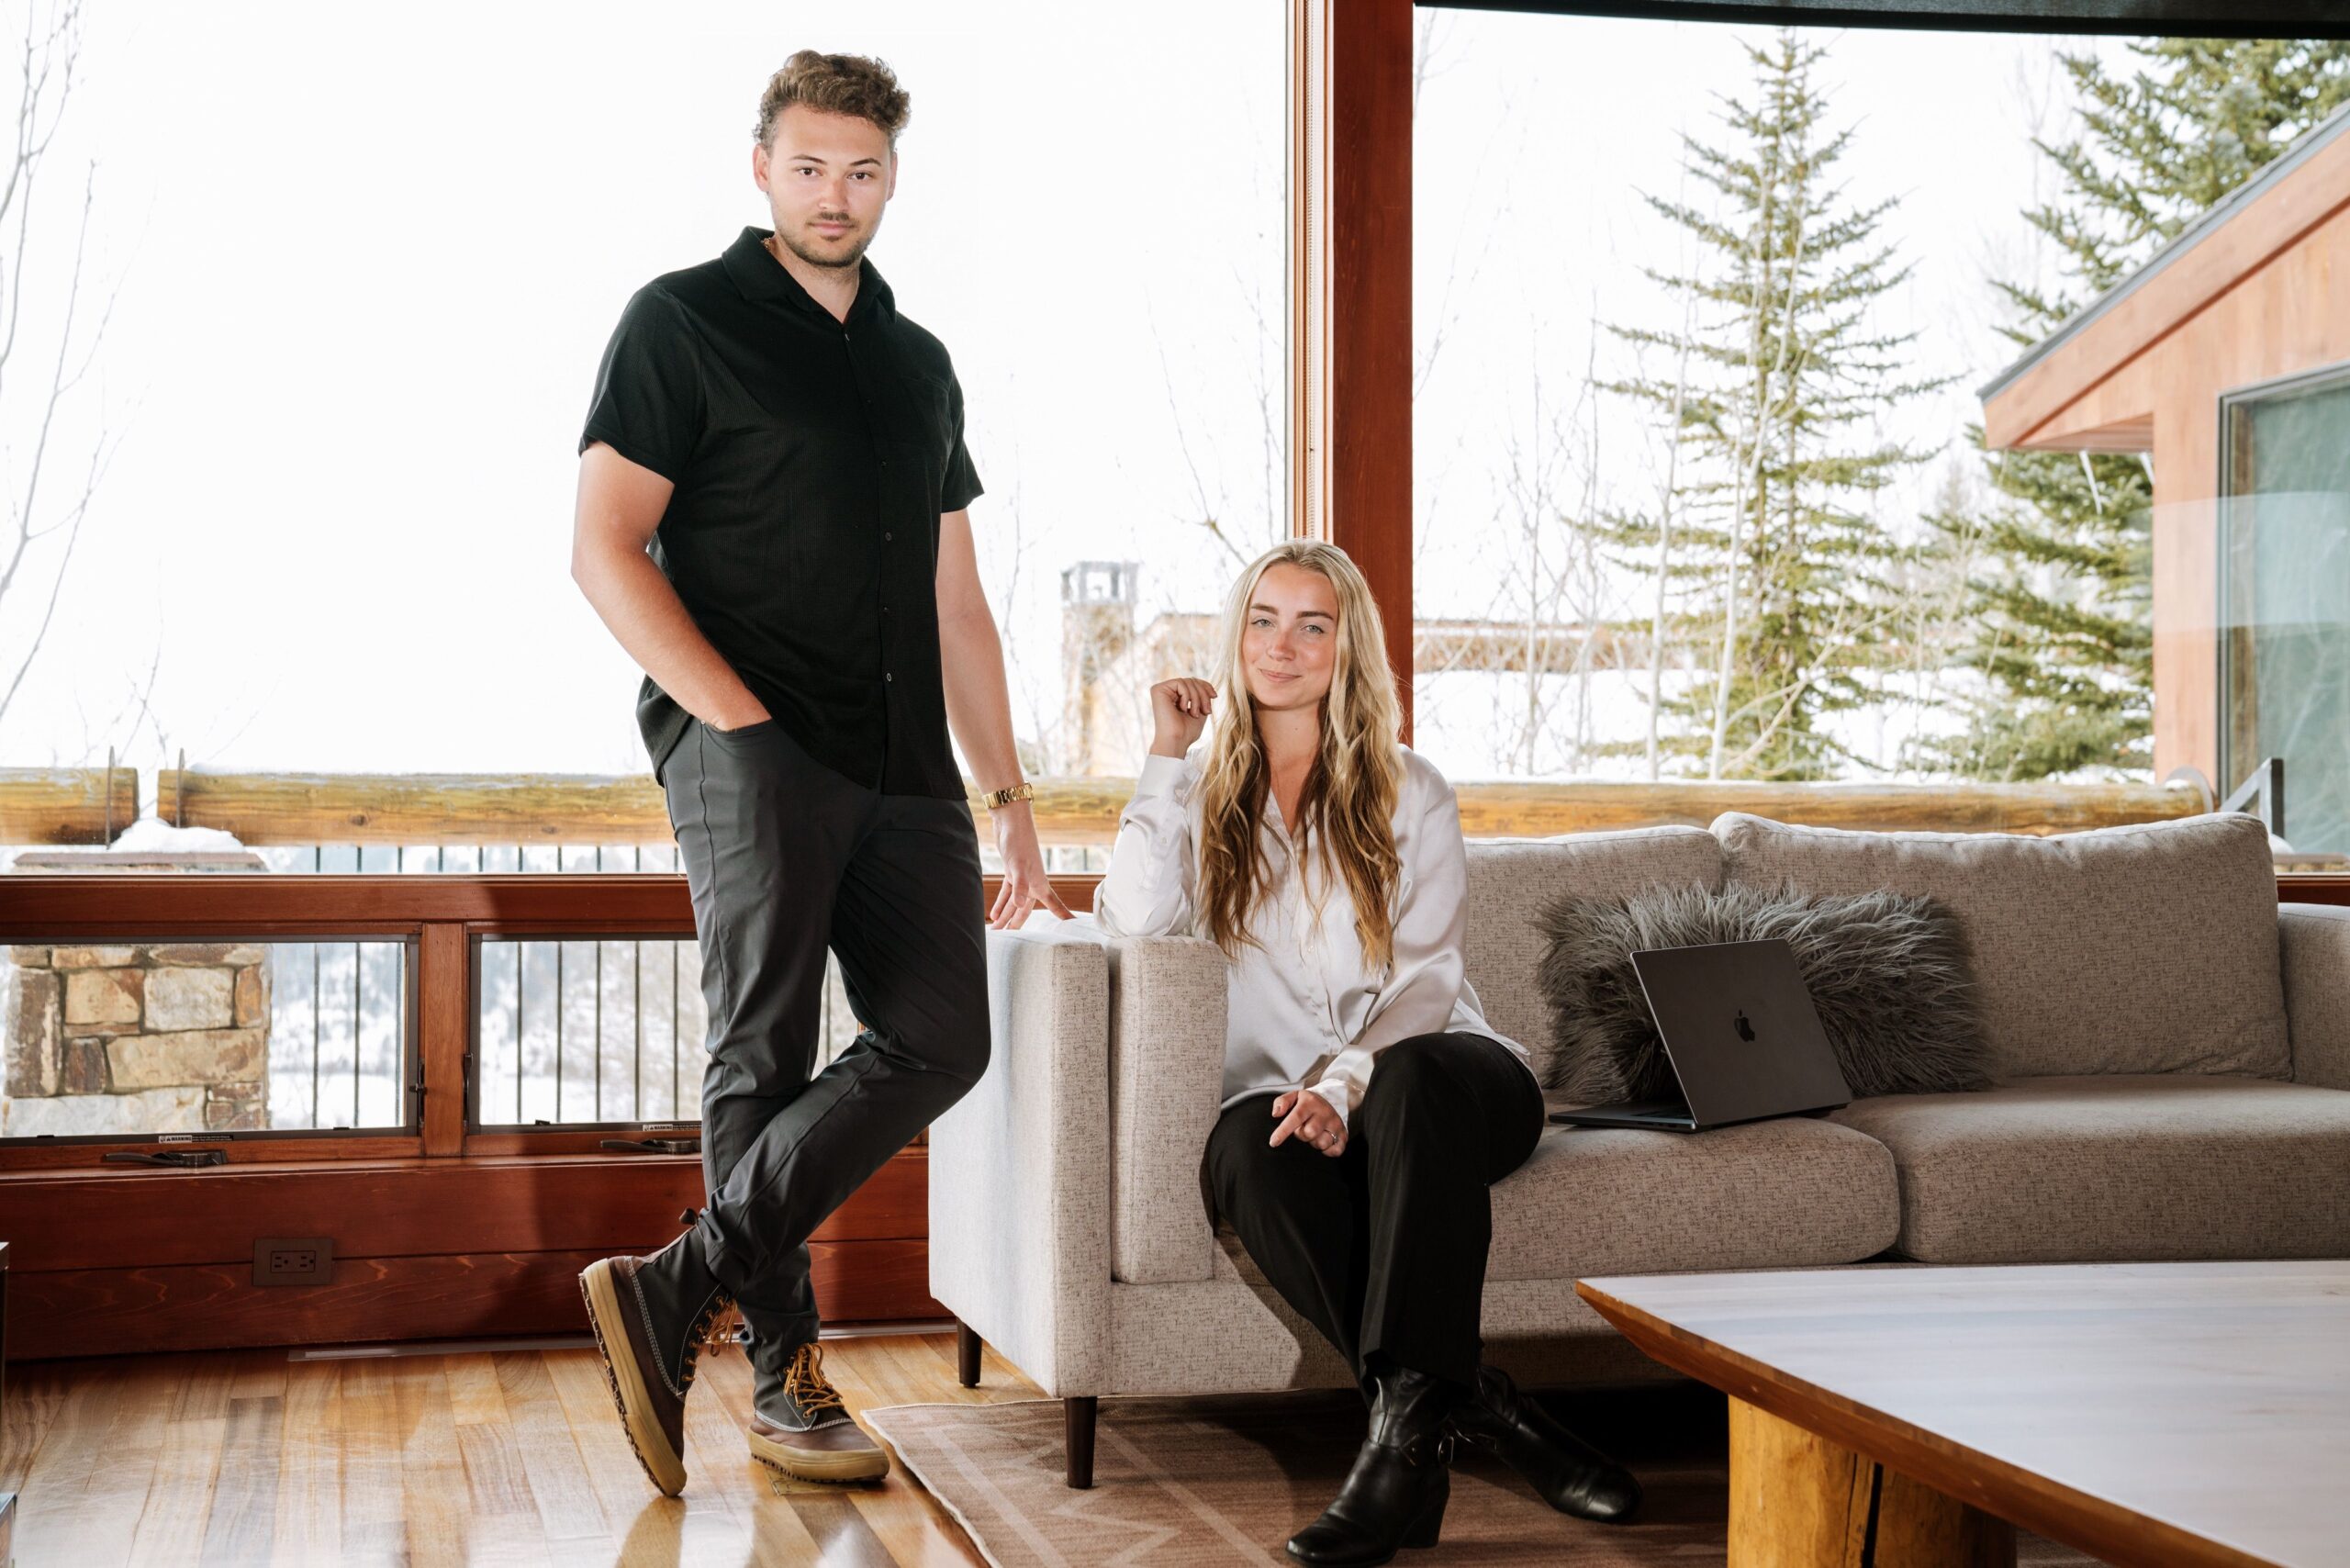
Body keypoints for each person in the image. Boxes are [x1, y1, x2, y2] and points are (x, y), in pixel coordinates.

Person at [567, 50, 1069, 1497]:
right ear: (762, 168)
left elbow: (957, 601)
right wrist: (739, 726)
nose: (833, 196)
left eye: (860, 171)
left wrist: (1008, 798)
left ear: (892, 177)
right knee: (765, 1051)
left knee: (944, 1037)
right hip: (752, 744)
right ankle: (786, 1378)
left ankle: (677, 1285)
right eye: (807, 168)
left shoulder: (920, 366)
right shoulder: (681, 322)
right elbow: (604, 547)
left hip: (907, 763)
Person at [1093, 540, 1639, 1564]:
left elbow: (1428, 981)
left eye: (1313, 625)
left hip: (1450, 1078)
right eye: (1264, 621)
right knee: (1243, 1152)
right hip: (1290, 1098)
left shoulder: (1408, 788)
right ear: (1235, 636)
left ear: (1348, 649)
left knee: (1409, 1082)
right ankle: (1470, 1411)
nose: (1282, 646)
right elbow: (1131, 918)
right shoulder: (1201, 791)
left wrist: (1345, 1080)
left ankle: (1395, 1465)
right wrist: (1166, 754)